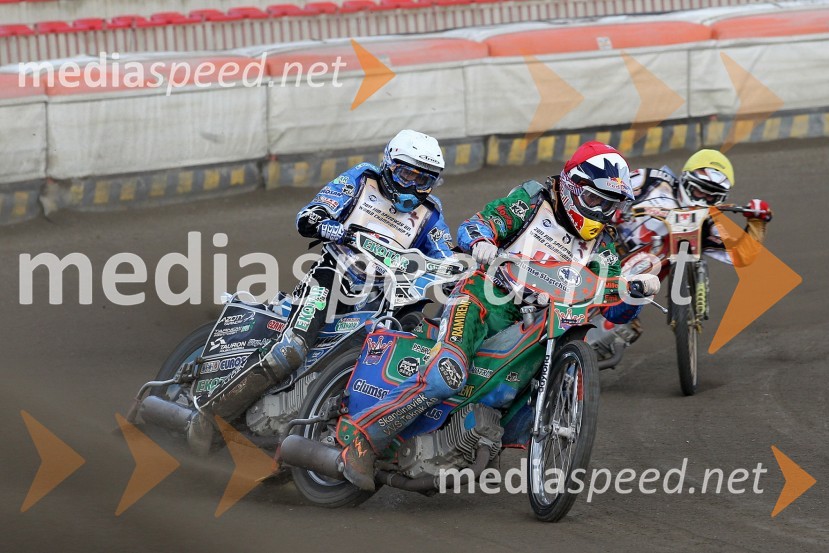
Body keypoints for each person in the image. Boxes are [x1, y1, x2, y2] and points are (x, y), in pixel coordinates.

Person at [336, 141, 660, 490]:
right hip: (483, 299)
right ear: (571, 187)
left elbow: (614, 308)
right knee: (448, 375)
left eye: (610, 205)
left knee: (527, 391)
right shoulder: (533, 201)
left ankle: (466, 438)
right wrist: (481, 242)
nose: (600, 211)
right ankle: (363, 438)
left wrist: (635, 293)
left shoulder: (604, 245)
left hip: (539, 323)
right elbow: (477, 225)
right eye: (595, 200)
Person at [189, 130, 455, 450]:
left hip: (385, 296)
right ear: (388, 164)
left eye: (423, 180)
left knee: (407, 340)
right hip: (334, 276)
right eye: (407, 174)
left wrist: (459, 273)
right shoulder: (362, 179)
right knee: (291, 349)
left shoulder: (431, 213)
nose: (413, 187)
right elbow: (312, 212)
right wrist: (324, 222)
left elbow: (445, 259)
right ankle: (209, 417)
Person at [588, 149, 773, 357]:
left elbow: (743, 255)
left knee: (624, 326)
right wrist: (615, 209)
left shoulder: (707, 226)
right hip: (599, 245)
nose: (702, 199)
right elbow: (606, 187)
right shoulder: (652, 179)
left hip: (627, 282)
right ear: (686, 180)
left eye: (711, 196)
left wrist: (757, 221)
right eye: (699, 191)